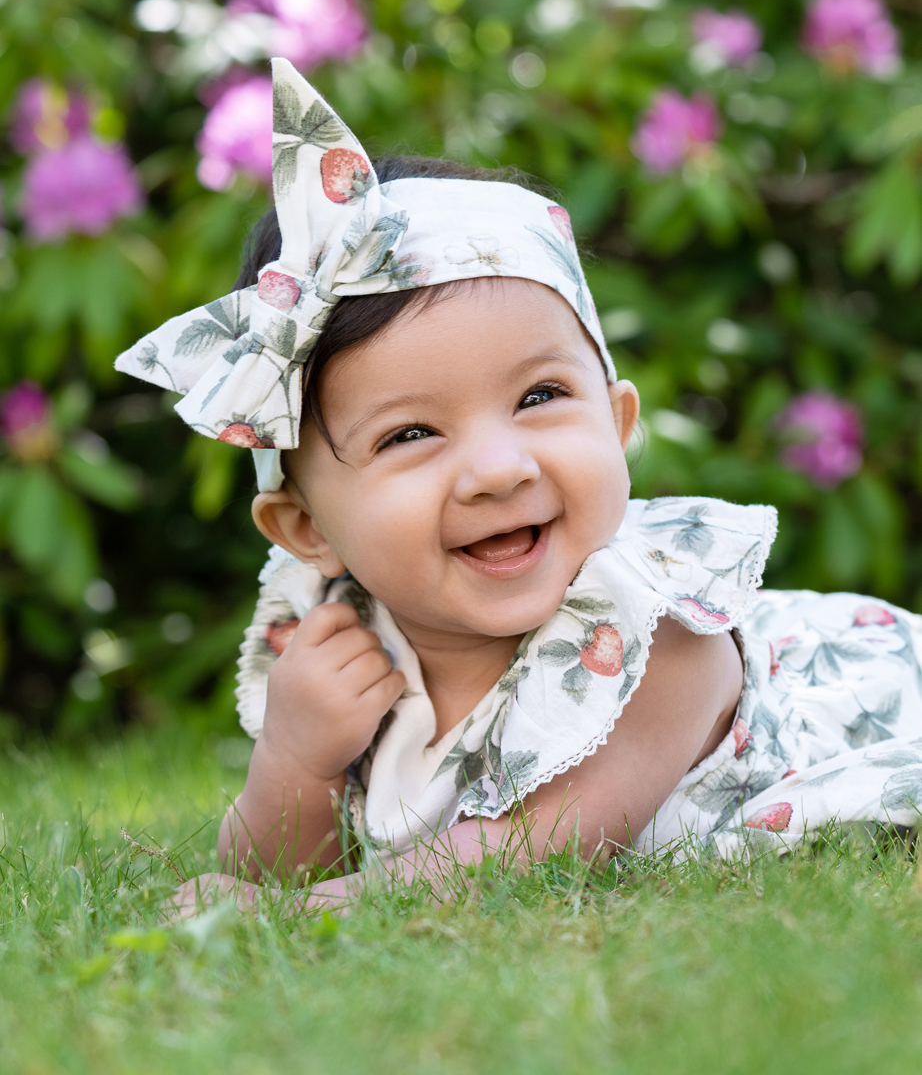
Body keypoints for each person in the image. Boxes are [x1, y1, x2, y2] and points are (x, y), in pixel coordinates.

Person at [117, 59, 922, 915]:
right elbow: (278, 872)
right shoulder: (338, 636)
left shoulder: (660, 633)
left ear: (616, 423)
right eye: (411, 434)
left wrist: (311, 915)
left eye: (540, 398)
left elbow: (532, 851)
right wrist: (294, 761)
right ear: (306, 527)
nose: (500, 468)